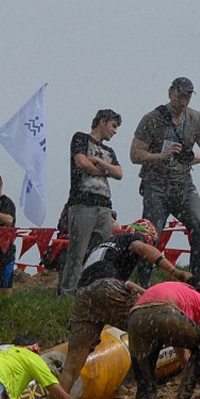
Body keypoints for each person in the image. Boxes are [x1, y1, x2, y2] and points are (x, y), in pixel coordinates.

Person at [43, 219, 192, 399]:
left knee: (72, 365)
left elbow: (128, 286)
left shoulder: (104, 247)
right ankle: (130, 384)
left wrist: (149, 294)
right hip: (106, 288)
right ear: (147, 236)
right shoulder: (133, 239)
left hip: (84, 295)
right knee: (149, 328)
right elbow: (141, 249)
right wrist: (174, 271)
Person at [131, 77, 200, 286]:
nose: (183, 101)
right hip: (155, 185)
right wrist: (162, 155)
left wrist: (197, 158)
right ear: (170, 93)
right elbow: (134, 154)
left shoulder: (196, 119)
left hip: (183, 184)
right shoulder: (152, 119)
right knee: (151, 235)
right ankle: (143, 283)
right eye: (179, 96)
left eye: (187, 96)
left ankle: (197, 280)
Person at [58, 109, 124, 296]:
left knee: (103, 253)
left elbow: (119, 173)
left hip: (105, 207)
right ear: (102, 121)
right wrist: (105, 171)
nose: (115, 131)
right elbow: (81, 162)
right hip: (82, 203)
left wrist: (98, 162)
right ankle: (68, 293)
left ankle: (97, 292)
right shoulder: (80, 138)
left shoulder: (109, 151)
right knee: (77, 253)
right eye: (113, 126)